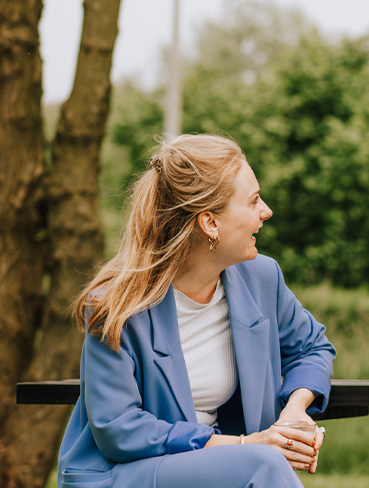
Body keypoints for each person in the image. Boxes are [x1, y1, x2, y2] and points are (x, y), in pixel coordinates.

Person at [56, 134, 336, 488]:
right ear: (210, 223)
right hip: (126, 472)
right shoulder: (115, 305)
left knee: (263, 462)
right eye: (253, 201)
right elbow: (120, 430)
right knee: (264, 464)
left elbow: (312, 347)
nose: (266, 211)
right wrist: (246, 445)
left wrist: (294, 411)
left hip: (220, 468)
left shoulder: (261, 277)